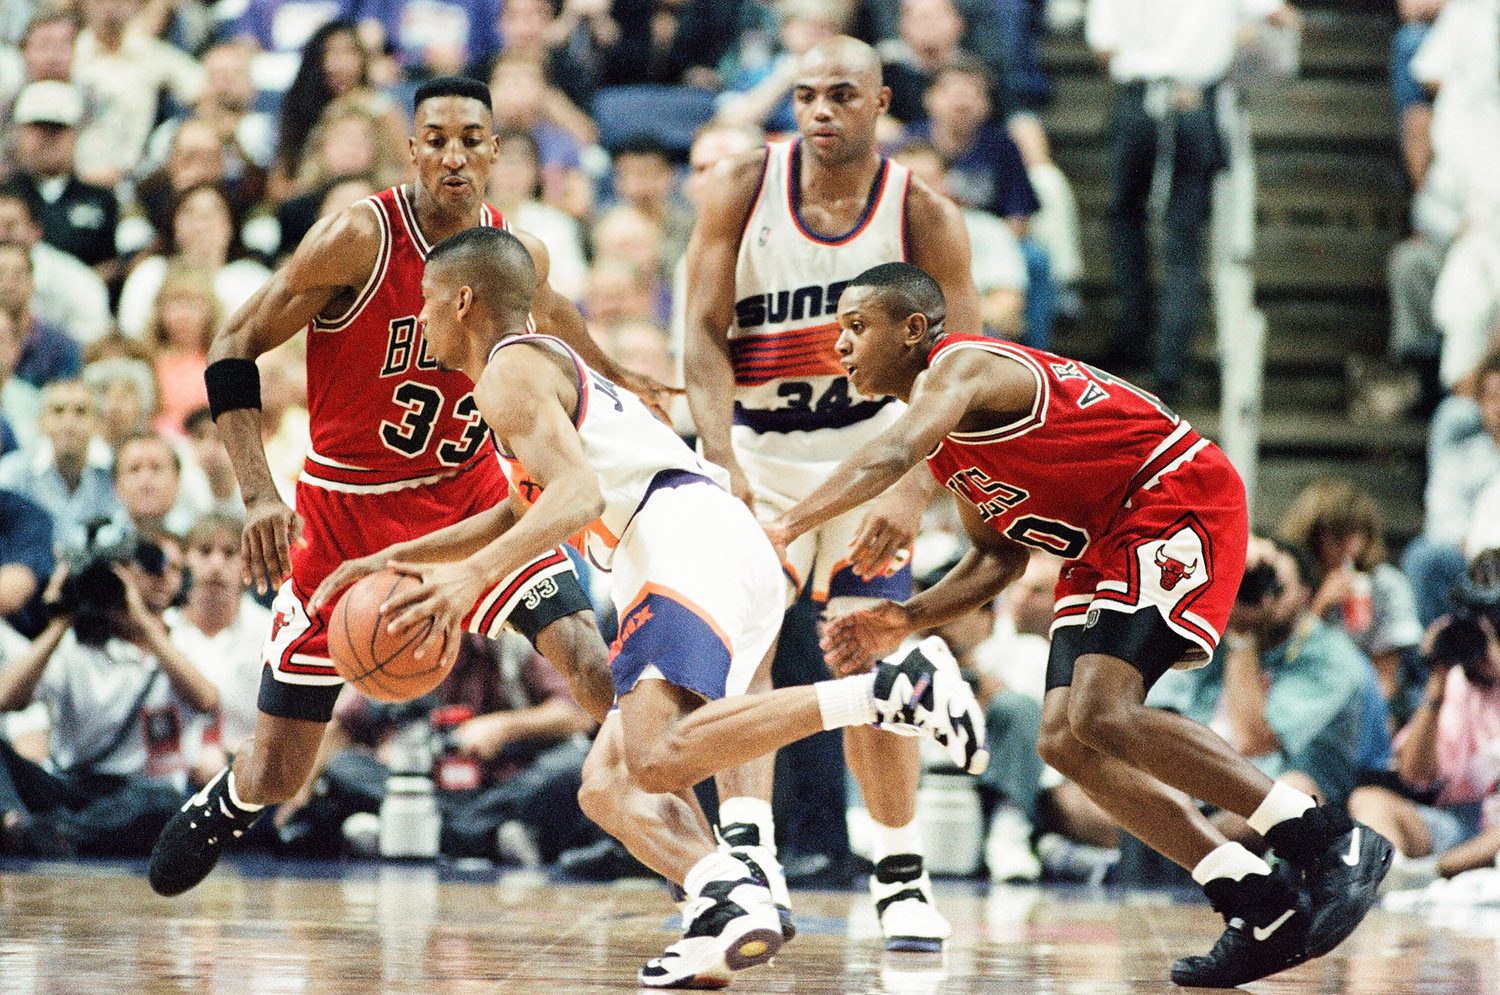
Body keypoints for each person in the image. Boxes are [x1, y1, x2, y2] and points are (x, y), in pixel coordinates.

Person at [308, 225, 986, 988]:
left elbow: (577, 496)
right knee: (607, 787)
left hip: (678, 539)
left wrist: (469, 584)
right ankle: (728, 900)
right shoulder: (529, 375)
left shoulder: (509, 373)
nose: (420, 319)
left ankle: (890, 691)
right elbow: (517, 508)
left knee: (658, 756)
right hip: (707, 539)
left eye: (426, 303)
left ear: (462, 301)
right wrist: (395, 558)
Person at [762, 260, 1394, 987]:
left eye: (855, 326)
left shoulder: (963, 366)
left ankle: (1326, 837)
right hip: (1104, 537)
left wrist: (787, 523)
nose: (839, 346)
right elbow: (997, 556)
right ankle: (1255, 896)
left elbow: (894, 450)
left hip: (1170, 492)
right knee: (1065, 738)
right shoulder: (951, 440)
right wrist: (906, 617)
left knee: (1104, 710)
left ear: (911, 330)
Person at [146, 76, 652, 898]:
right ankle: (233, 796)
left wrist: (623, 374)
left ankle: (673, 828)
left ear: (496, 150)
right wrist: (258, 494)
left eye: (471, 139)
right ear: (412, 148)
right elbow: (234, 342)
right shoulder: (359, 237)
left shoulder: (509, 250)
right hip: (344, 511)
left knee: (594, 664)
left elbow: (554, 314)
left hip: (470, 499)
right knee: (280, 770)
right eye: (437, 139)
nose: (454, 155)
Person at [683, 35, 983, 951]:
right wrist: (717, 449)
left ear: (881, 103)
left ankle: (899, 872)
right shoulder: (741, 186)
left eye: (841, 95)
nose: (820, 110)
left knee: (870, 656)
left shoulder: (921, 213)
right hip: (763, 454)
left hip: (872, 463)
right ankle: (749, 855)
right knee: (746, 652)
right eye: (806, 94)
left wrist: (921, 482)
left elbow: (968, 370)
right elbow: (699, 331)